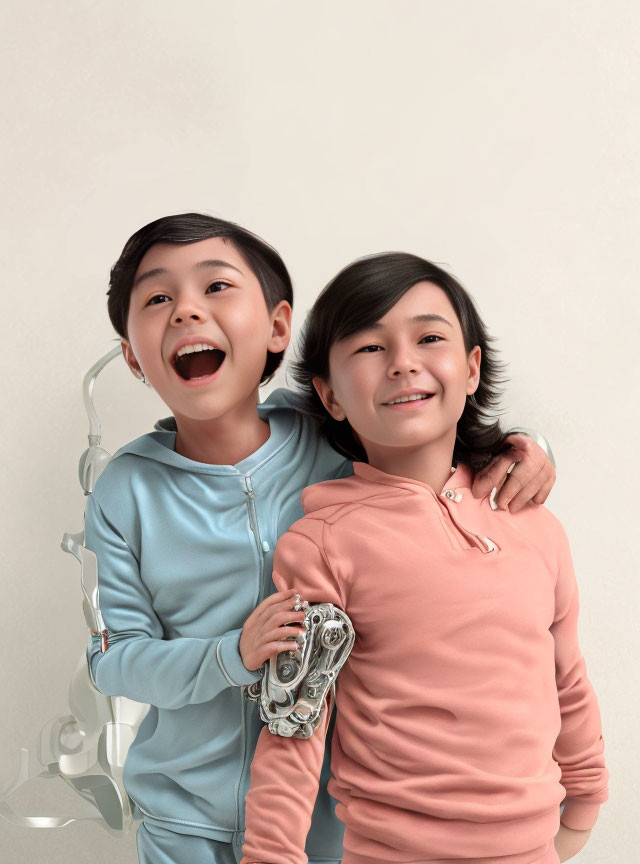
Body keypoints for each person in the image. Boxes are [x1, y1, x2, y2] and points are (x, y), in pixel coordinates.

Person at [86, 215, 557, 864]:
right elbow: (112, 660)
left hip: (332, 814)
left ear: (278, 325)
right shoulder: (122, 491)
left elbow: (424, 437)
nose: (187, 311)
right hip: (185, 821)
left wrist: (528, 448)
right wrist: (231, 655)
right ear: (133, 355)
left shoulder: (324, 423)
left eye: (217, 286)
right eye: (158, 298)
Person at [240, 253, 608, 864]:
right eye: (369, 347)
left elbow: (565, 674)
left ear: (470, 369)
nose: (403, 362)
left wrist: (588, 794)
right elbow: (294, 722)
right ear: (329, 396)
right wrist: (270, 854)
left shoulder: (536, 526)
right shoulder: (323, 543)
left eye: (428, 337)